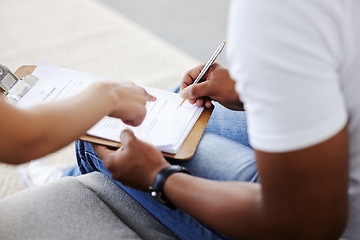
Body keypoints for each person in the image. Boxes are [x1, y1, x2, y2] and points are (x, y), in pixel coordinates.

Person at [76, 0, 360, 239]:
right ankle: (66, 176)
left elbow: (307, 222)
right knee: (183, 105)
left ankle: (69, 177)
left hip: (328, 215)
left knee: (101, 137)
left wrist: (160, 178)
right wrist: (255, 90)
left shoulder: (275, 12)